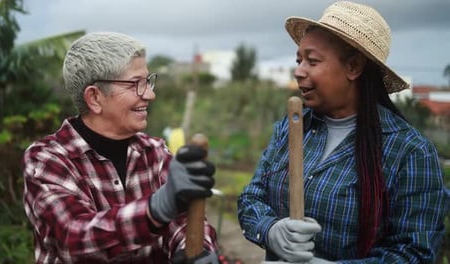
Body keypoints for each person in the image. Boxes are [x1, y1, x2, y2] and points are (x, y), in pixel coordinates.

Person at [237, 1, 448, 263]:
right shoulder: (291, 129)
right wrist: (269, 230)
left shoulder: (409, 151)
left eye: (312, 61)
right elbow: (251, 197)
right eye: (299, 59)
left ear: (353, 67)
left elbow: (415, 252)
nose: (299, 71)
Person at [22, 32, 219, 263]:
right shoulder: (48, 159)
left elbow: (184, 220)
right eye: (136, 84)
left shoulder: (154, 152)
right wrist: (154, 210)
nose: (150, 94)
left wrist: (195, 249)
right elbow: (73, 237)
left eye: (148, 81)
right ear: (94, 98)